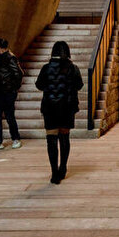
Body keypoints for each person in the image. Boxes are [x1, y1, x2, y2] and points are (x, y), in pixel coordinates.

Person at [36, 40, 83, 183]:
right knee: (64, 137)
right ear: (67, 52)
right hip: (67, 108)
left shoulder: (46, 68)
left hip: (49, 108)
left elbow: (39, 85)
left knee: (51, 140)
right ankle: (63, 167)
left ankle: (54, 173)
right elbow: (79, 85)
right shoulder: (73, 68)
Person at [0, 38, 23, 150]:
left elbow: (18, 74)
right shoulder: (4, 57)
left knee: (9, 116)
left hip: (6, 93)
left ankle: (15, 139)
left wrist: (12, 89)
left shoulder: (9, 57)